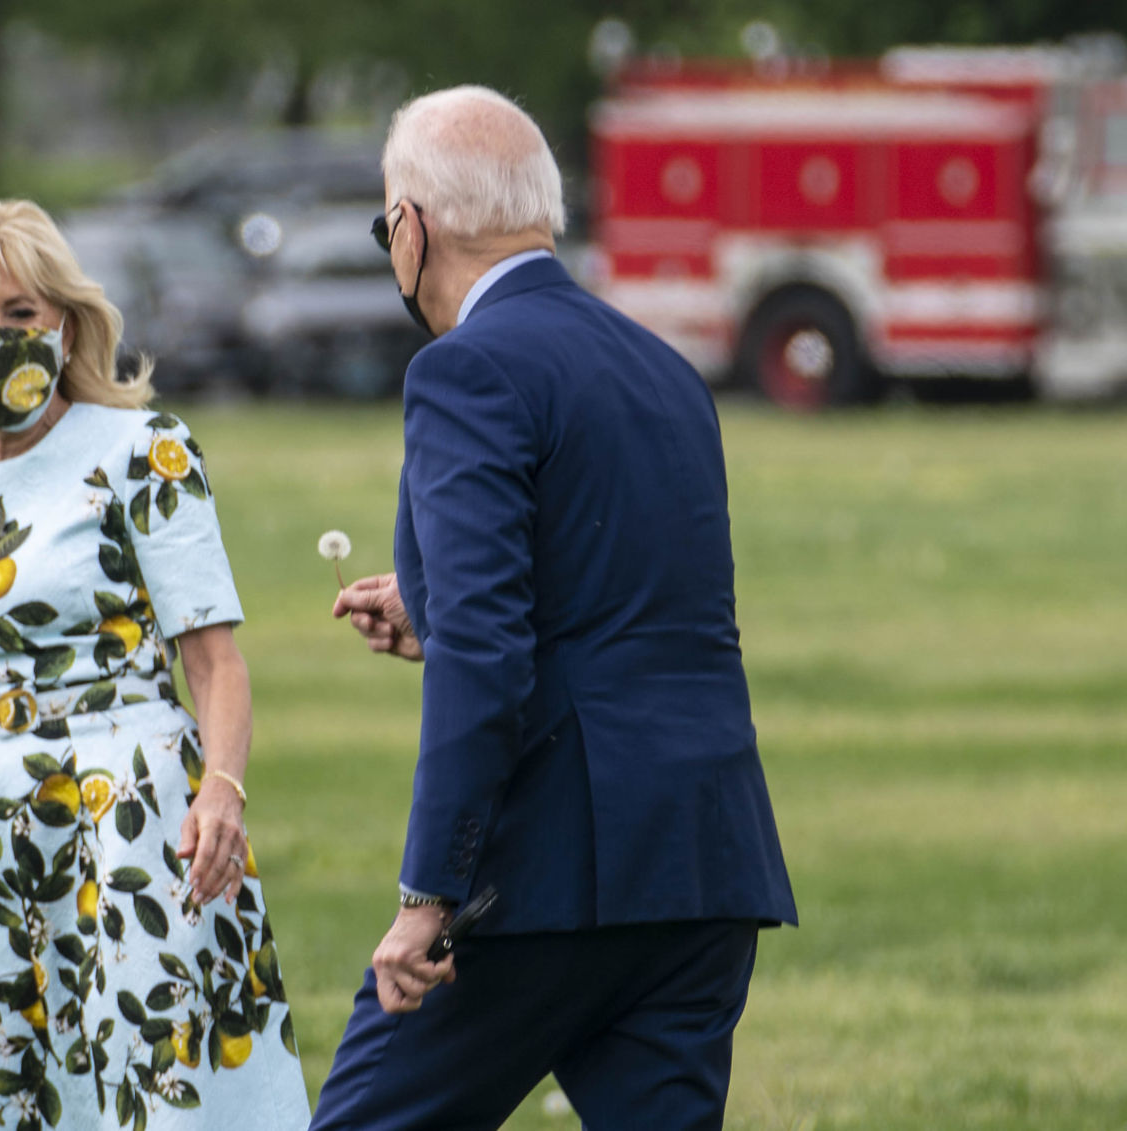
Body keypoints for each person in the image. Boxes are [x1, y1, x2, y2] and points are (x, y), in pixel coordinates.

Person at [311, 86, 799, 1130]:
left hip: (549, 872)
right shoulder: (668, 371)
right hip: (703, 860)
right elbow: (630, 595)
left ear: (410, 229)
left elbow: (487, 662)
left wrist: (428, 895)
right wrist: (432, 606)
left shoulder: (464, 369)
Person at [0, 198, 309, 1131]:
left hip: (140, 828)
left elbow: (214, 661)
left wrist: (223, 790)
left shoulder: (144, 450)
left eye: (20, 312)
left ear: (65, 324)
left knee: (157, 1100)